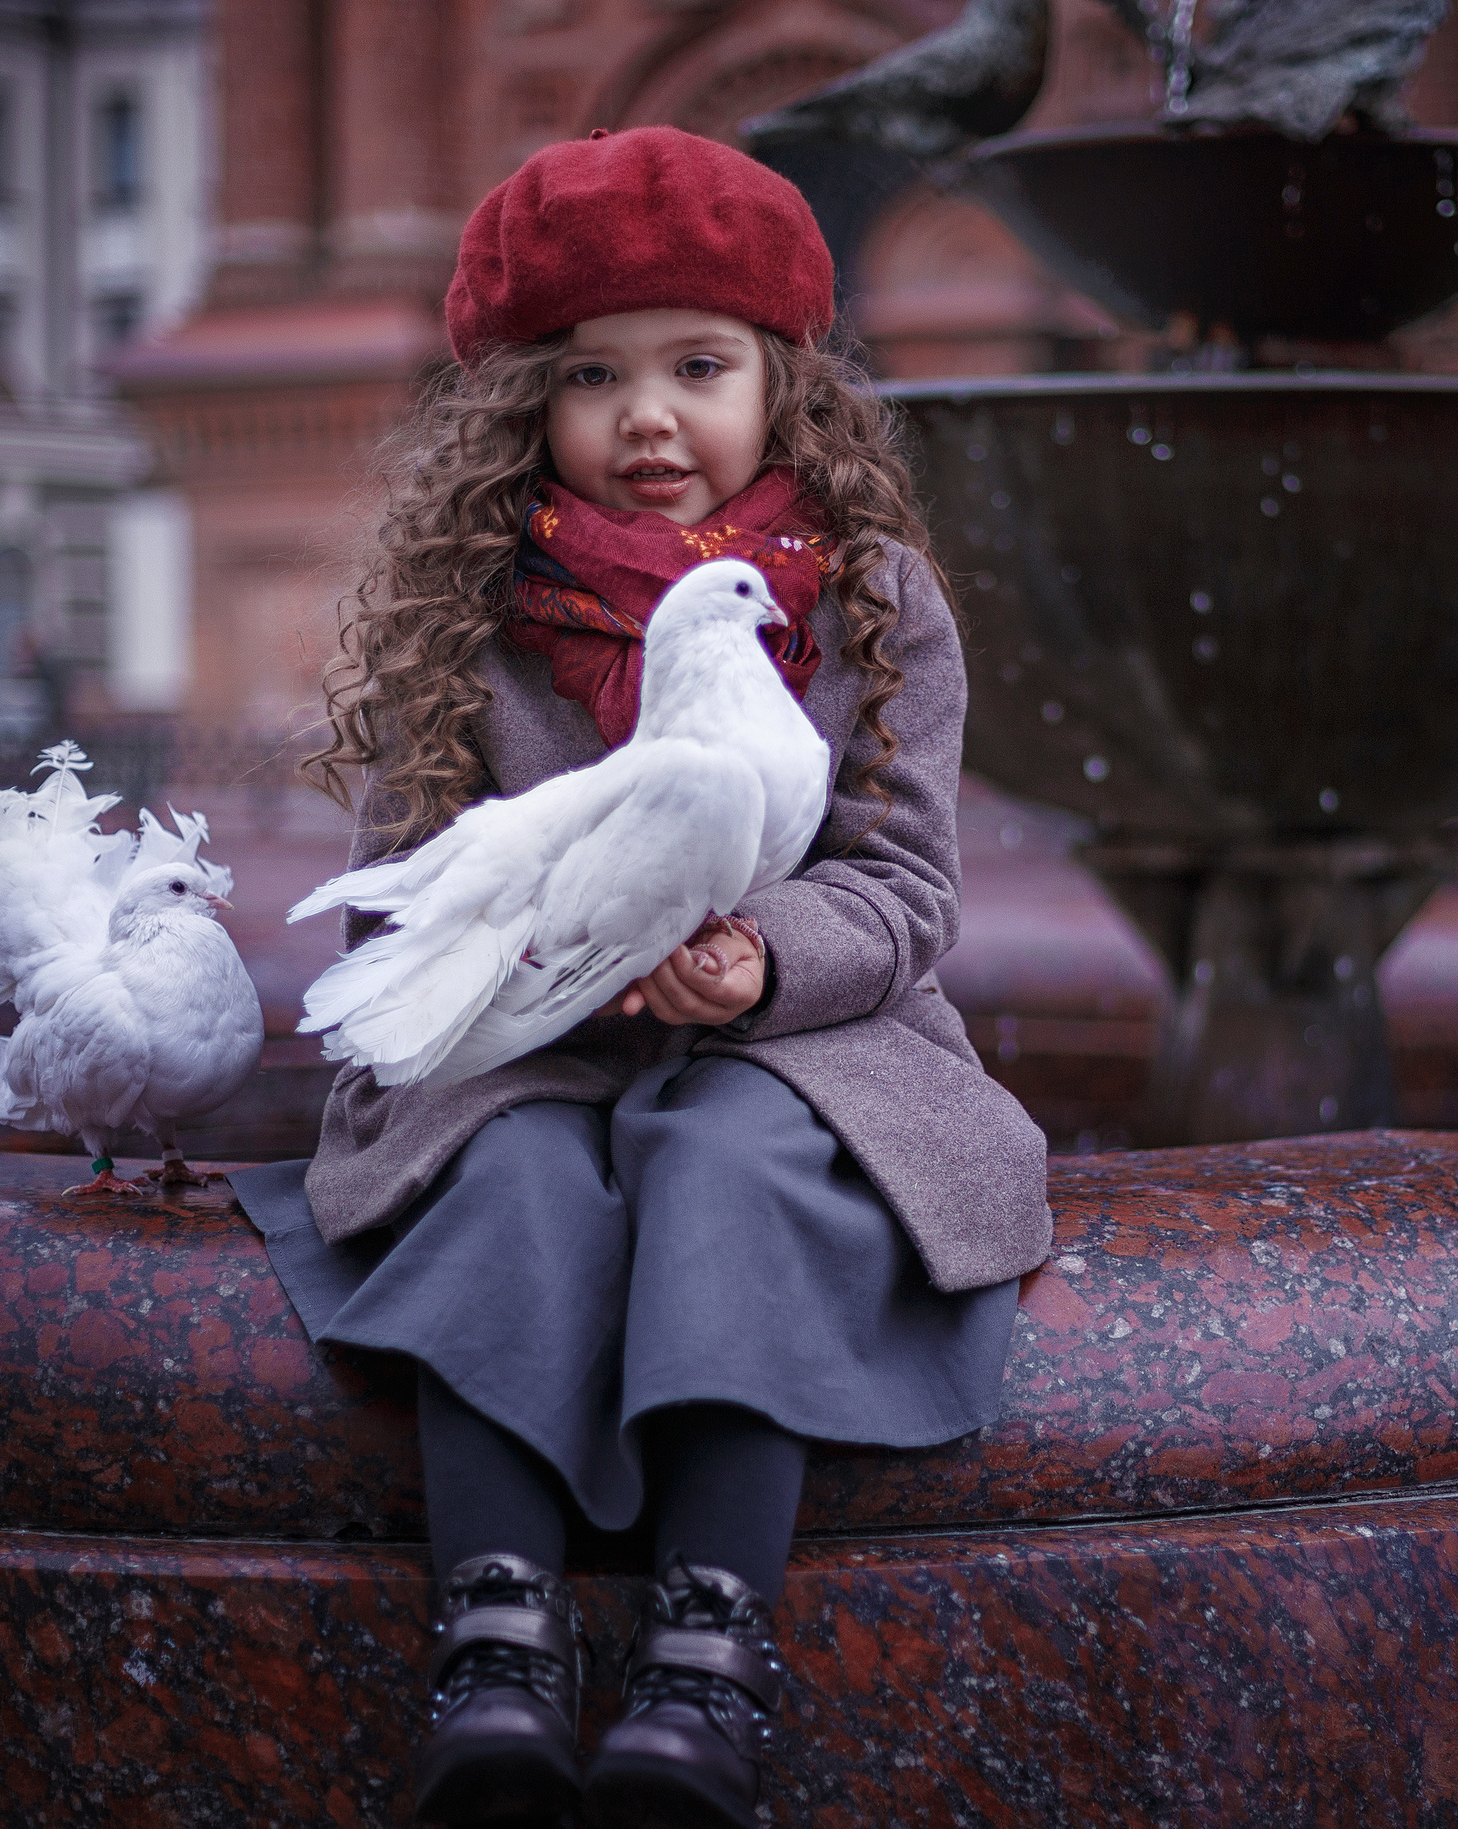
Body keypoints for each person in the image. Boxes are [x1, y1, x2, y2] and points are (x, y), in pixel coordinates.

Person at [228, 127, 1052, 1829]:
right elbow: (407, 898)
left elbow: (904, 890)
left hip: (799, 1042)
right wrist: (560, 968)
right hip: (521, 1039)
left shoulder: (874, 604)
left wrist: (759, 967)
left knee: (734, 1161)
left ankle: (705, 1652)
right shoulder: (471, 608)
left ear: (785, 385)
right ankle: (499, 1639)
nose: (649, 416)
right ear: (525, 403)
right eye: (592, 374)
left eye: (699, 364)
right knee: (513, 1169)